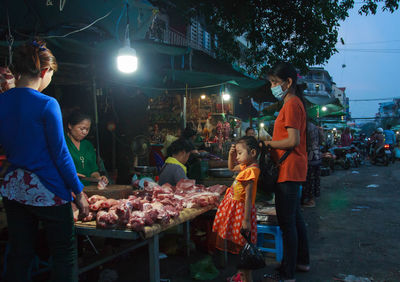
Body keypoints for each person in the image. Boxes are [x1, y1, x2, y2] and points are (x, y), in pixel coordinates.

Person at [0, 39, 88, 282]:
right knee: (64, 254)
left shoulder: (2, 101)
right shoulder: (47, 103)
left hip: (14, 189)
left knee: (19, 253)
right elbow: (60, 154)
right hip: (47, 190)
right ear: (43, 71)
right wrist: (78, 191)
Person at [261, 62, 310, 282]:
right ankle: (302, 262)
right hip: (293, 169)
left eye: (275, 82)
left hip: (288, 169)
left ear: (288, 82)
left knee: (287, 223)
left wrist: (268, 143)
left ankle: (287, 273)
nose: (272, 87)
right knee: (296, 219)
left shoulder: (291, 104)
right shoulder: (294, 103)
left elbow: (292, 140)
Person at [213, 136, 260, 282]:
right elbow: (231, 168)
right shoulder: (247, 167)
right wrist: (230, 154)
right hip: (236, 211)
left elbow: (248, 198)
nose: (237, 157)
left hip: (241, 213)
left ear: (252, 153)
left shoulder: (251, 171)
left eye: (240, 153)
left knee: (242, 246)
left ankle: (245, 276)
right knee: (241, 248)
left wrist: (245, 221)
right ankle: (241, 275)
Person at [65, 111, 109, 187]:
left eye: (87, 129)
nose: (85, 132)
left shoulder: (88, 145)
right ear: (70, 126)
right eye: (82, 129)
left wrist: (98, 178)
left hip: (86, 188)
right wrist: (70, 174)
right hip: (68, 188)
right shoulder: (62, 143)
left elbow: (93, 171)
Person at [302, 121, 324, 208]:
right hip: (317, 156)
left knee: (309, 180)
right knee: (315, 179)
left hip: (310, 157)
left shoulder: (305, 127)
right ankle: (312, 199)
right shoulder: (316, 128)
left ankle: (310, 200)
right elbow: (322, 141)